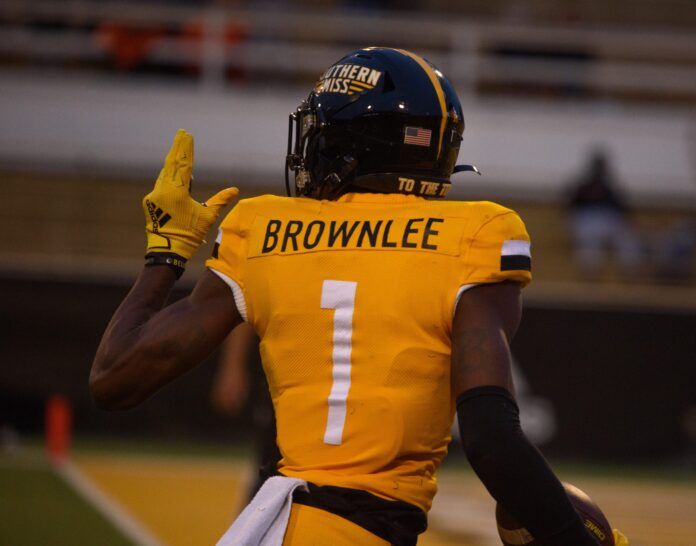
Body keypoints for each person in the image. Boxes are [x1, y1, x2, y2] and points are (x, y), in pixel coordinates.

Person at [90, 48, 620, 545]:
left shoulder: (264, 226)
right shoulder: (475, 235)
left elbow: (114, 379)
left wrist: (165, 257)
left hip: (280, 525)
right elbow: (490, 441)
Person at [212, 323, 281, 500]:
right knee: (272, 464)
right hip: (283, 378)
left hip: (338, 375)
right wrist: (232, 367)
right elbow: (245, 307)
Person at [566, 148, 641, 277]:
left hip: (608, 220)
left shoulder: (610, 187)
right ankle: (590, 272)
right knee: (589, 240)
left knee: (627, 238)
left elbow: (623, 209)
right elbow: (569, 207)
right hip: (586, 220)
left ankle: (630, 272)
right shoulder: (582, 186)